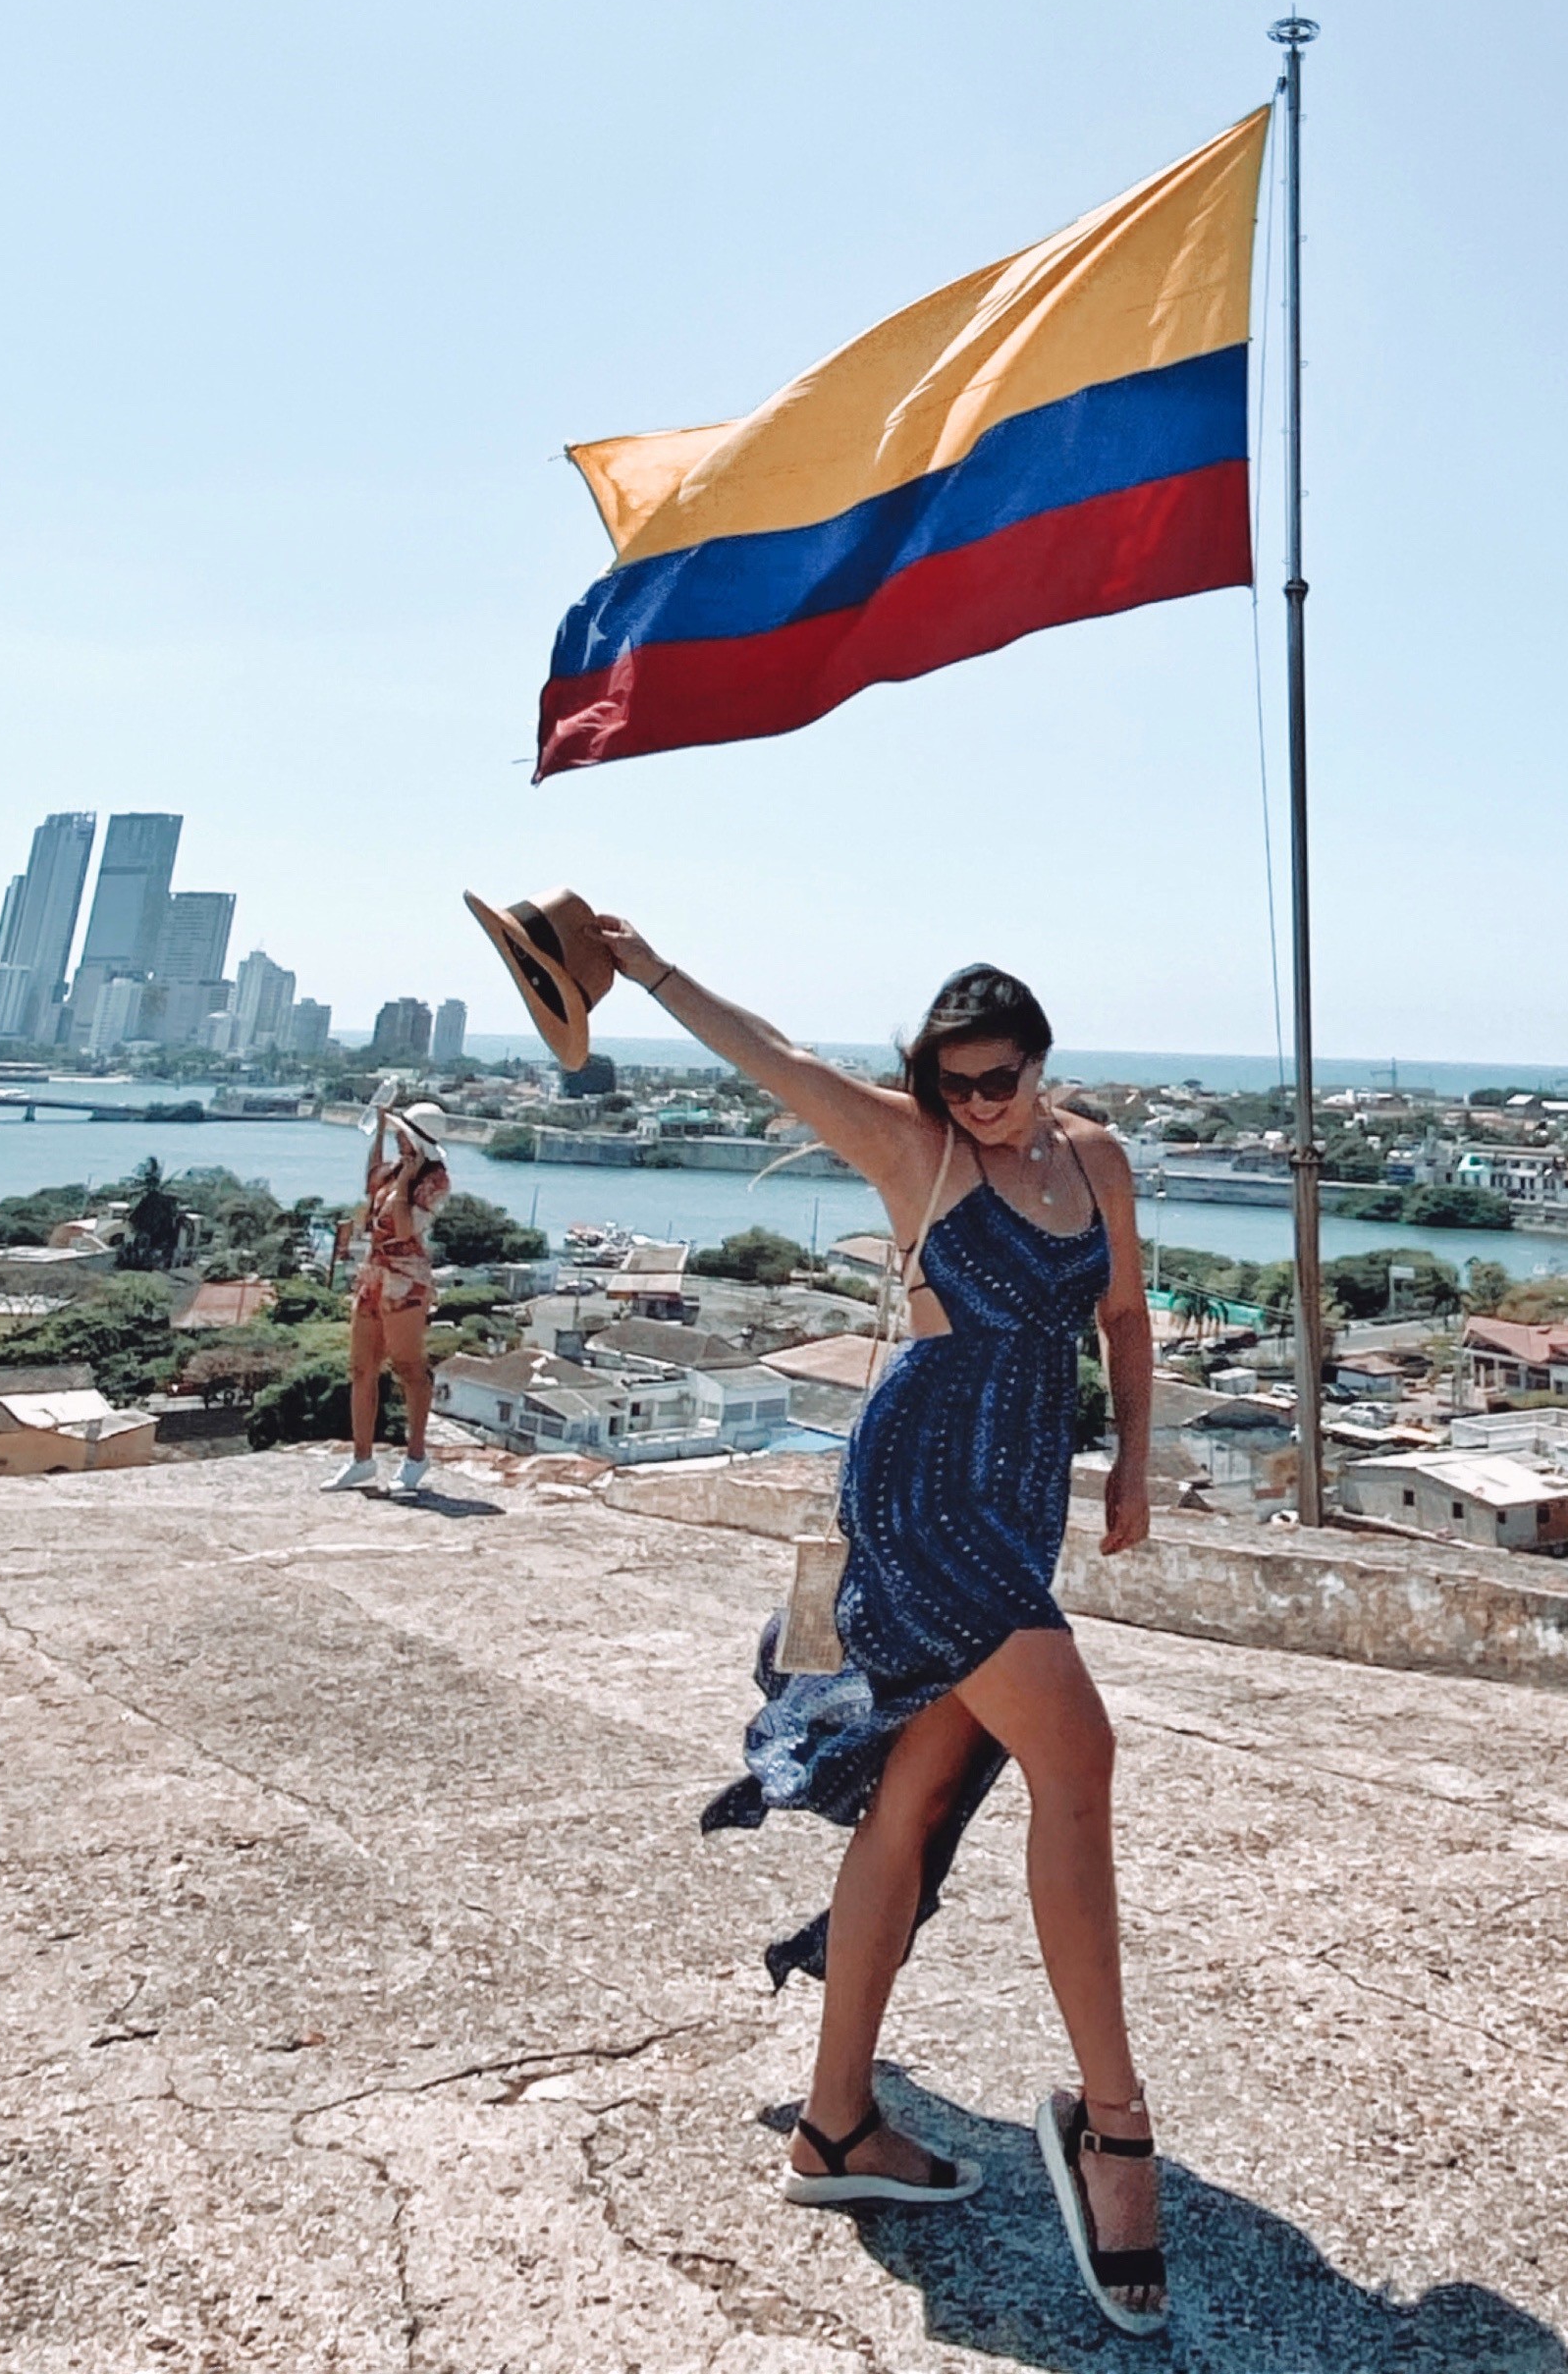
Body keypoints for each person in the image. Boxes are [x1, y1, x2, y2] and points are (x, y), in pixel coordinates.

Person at [592, 920, 1169, 2339]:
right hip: (922, 1493)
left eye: (999, 1079)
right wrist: (647, 967)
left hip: (1021, 1491)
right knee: (1077, 1759)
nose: (977, 1102)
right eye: (953, 1081)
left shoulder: (1095, 1159)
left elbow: (1125, 1318)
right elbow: (775, 1059)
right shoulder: (925, 1154)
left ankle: (836, 2123)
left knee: (914, 1800)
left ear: (1041, 1062)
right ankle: (1115, 2130)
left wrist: (1134, 1463)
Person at [324, 1096, 452, 1495]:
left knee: (408, 1367)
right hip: (375, 1271)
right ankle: (361, 1458)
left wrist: (405, 1183)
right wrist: (378, 1131)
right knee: (362, 1368)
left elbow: (403, 1228)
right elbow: (370, 1181)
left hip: (406, 1277)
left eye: (403, 1134)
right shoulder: (398, 1168)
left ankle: (416, 1455)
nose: (399, 1139)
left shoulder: (434, 1181)